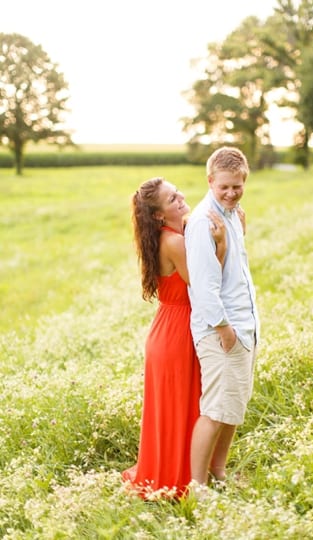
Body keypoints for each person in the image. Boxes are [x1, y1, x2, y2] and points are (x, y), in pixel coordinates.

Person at [124, 177, 227, 498]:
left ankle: (185, 472)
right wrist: (222, 245)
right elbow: (206, 282)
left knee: (183, 406)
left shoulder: (170, 235)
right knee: (187, 406)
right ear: (158, 215)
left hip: (168, 326)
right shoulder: (173, 241)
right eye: (171, 199)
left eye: (176, 191)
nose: (180, 197)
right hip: (179, 330)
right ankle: (182, 479)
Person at [186, 146, 259, 488]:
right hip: (222, 330)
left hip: (244, 326)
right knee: (215, 410)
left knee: (233, 407)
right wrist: (223, 328)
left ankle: (219, 473)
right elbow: (203, 285)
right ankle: (197, 488)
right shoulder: (204, 221)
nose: (231, 193)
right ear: (210, 180)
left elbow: (236, 271)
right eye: (224, 187)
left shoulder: (233, 214)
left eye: (237, 186)